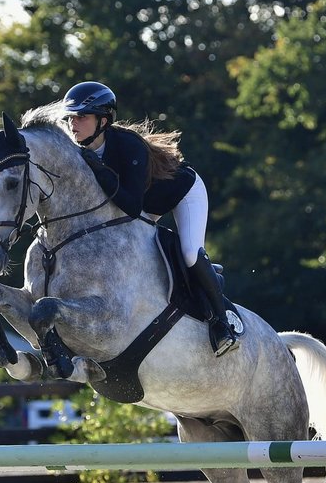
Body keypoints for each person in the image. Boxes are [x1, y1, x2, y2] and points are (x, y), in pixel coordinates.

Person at [61, 80, 239, 356]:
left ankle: (222, 322)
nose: (73, 123)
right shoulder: (74, 150)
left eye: (81, 117)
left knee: (190, 252)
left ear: (103, 120)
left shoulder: (127, 145)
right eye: (71, 117)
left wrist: (100, 170)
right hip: (143, 204)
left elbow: (132, 207)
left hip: (182, 192)